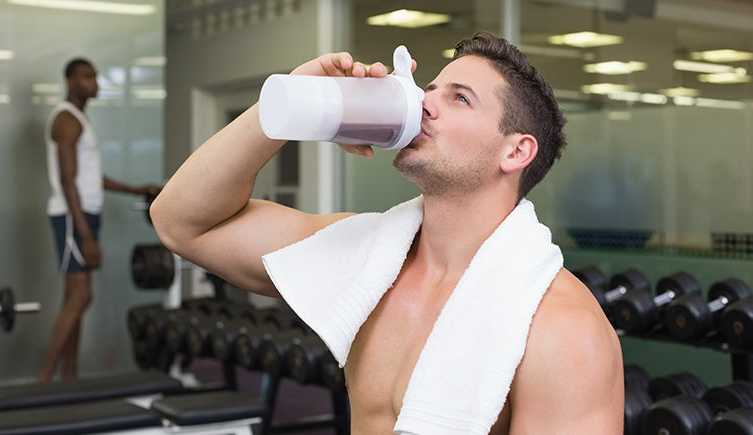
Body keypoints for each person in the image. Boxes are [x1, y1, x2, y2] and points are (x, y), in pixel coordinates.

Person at [150, 31, 624, 433]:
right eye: (430, 89)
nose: (424, 103)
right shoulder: (366, 260)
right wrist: (290, 103)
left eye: (459, 98)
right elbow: (182, 224)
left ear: (516, 152)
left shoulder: (564, 331)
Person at [39, 58, 159, 382]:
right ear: (71, 80)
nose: (95, 83)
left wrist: (136, 189)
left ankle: (70, 376)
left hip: (84, 212)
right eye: (87, 77)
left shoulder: (79, 119)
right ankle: (43, 379)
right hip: (72, 216)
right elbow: (67, 181)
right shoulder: (67, 120)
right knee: (82, 296)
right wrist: (85, 236)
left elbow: (90, 178)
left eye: (95, 76)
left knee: (73, 298)